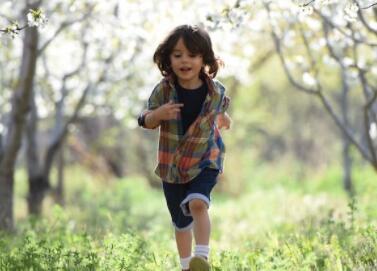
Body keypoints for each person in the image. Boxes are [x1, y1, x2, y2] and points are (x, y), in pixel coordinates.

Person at [137, 24, 231, 271]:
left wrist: (224, 119)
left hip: (206, 159)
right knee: (181, 222)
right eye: (178, 55)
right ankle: (185, 265)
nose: (184, 61)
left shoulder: (216, 90)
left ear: (204, 59)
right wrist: (158, 114)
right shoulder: (164, 90)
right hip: (173, 166)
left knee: (197, 203)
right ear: (168, 58)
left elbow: (221, 110)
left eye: (192, 55)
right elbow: (144, 119)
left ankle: (202, 258)